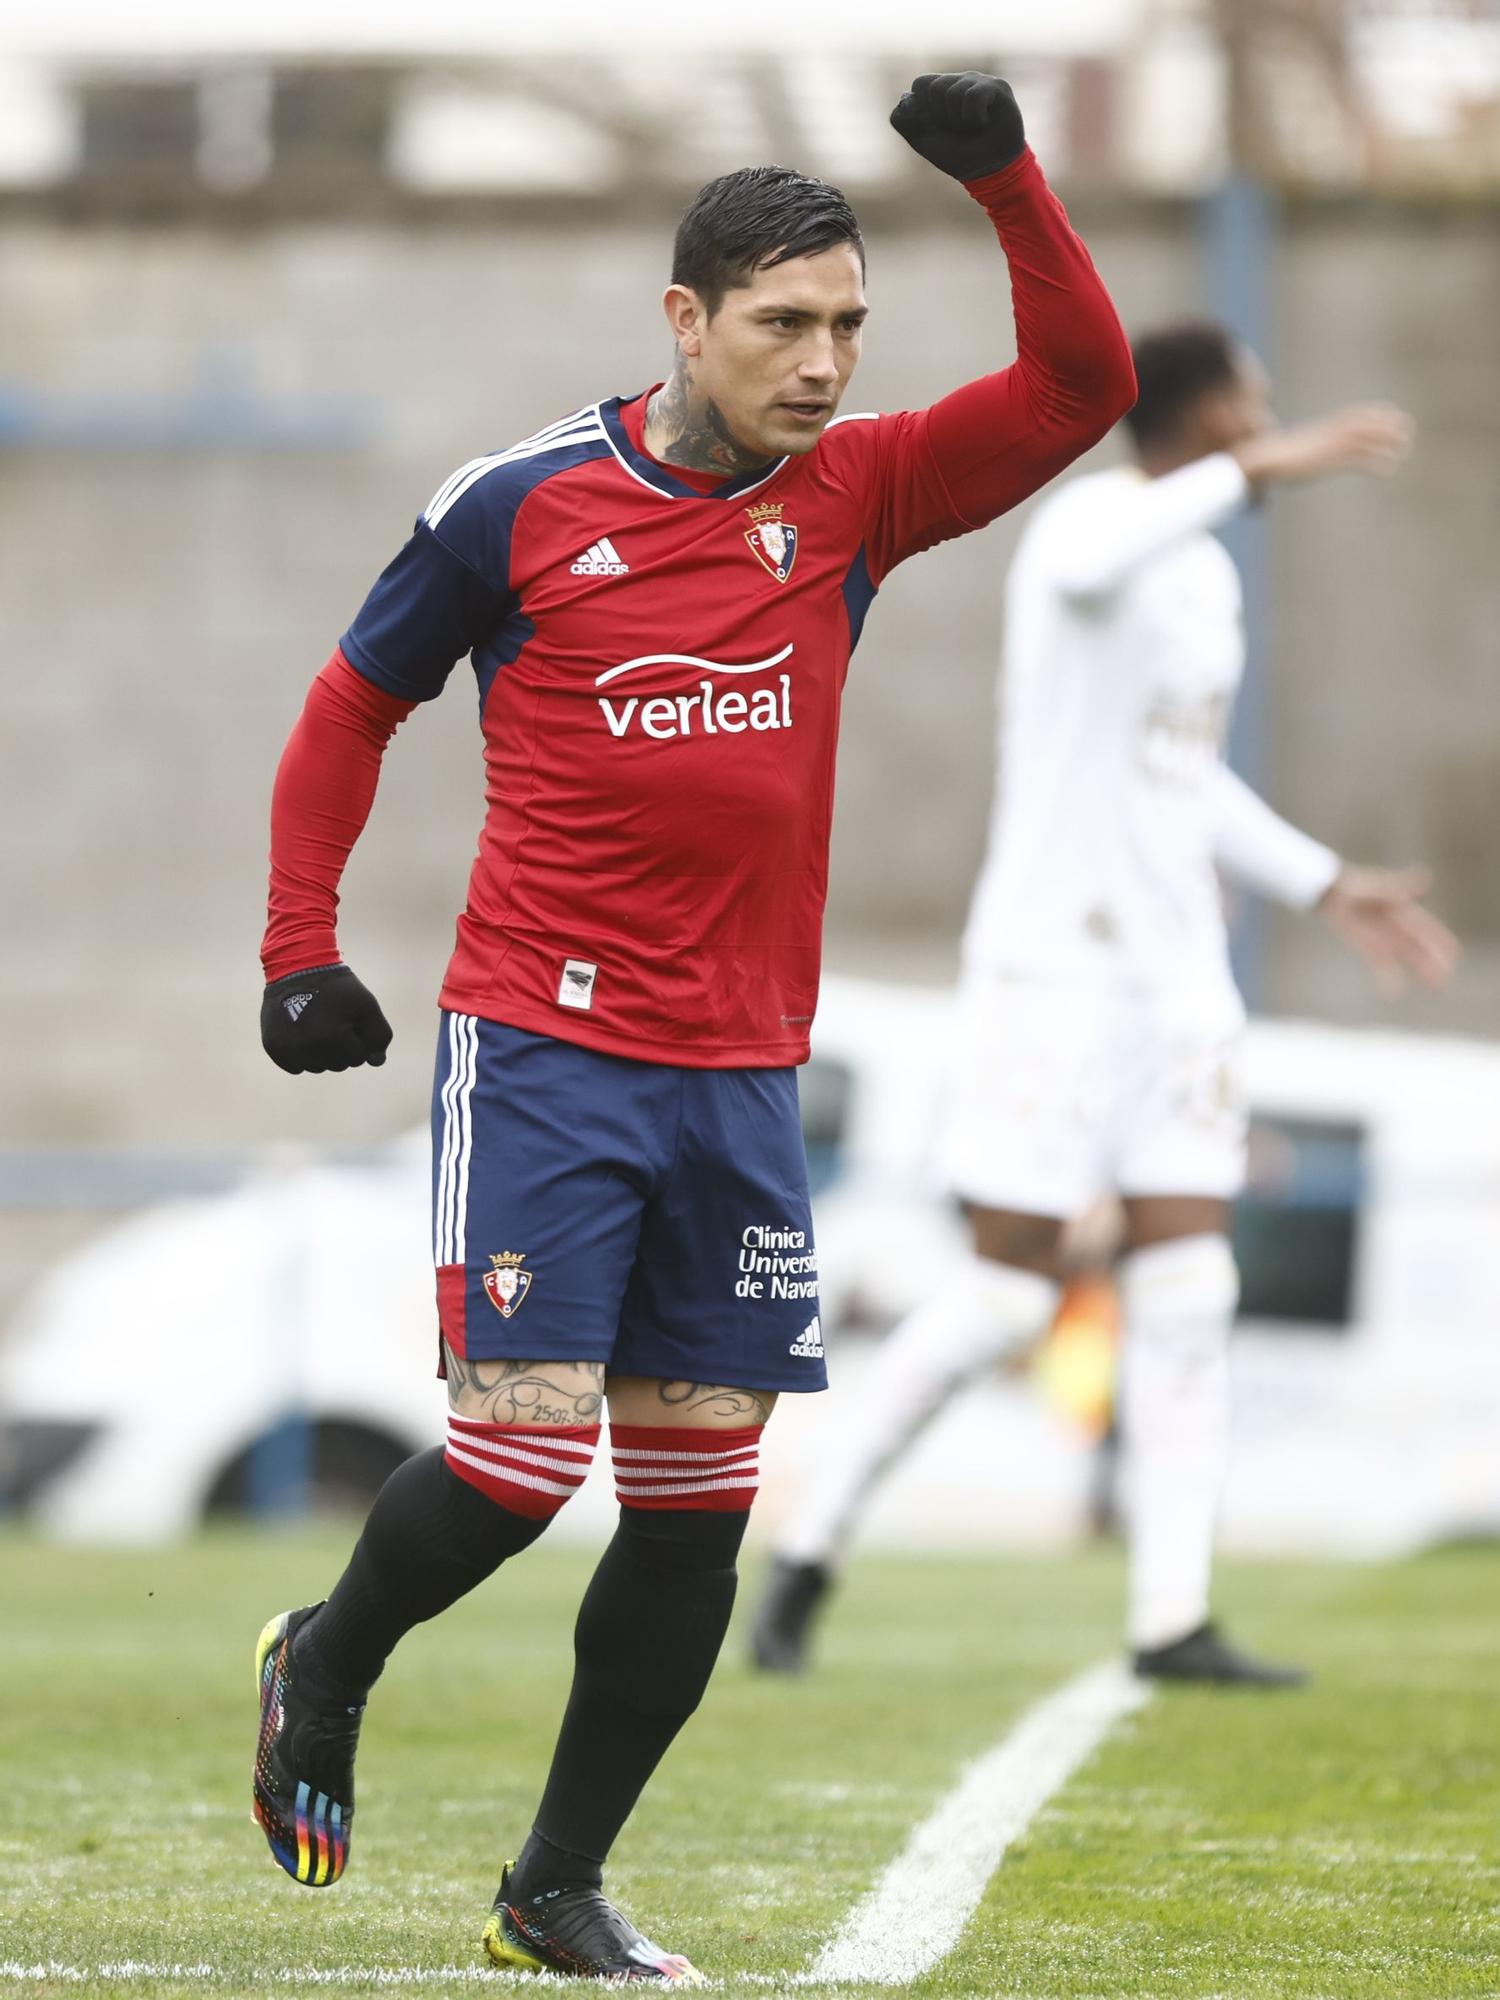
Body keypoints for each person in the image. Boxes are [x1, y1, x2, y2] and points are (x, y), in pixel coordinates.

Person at [250, 73, 1135, 1984]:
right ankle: (326, 1657)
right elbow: (349, 706)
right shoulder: (516, 504)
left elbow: (1083, 388)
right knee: (519, 1464)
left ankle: (550, 1889)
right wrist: (297, 949)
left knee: (695, 1515)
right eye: (783, 324)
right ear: (684, 318)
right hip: (545, 1048)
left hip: (741, 1071)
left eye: (848, 328)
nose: (823, 365)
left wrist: (1003, 178)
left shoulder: (860, 492)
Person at [753, 321, 1459, 1689]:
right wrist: (1268, 471)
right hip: (1053, 974)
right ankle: (813, 1543)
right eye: (1255, 402)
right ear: (1203, 414)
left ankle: (1171, 1618)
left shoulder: (1203, 575)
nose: (1269, 421)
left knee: (1191, 1287)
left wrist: (1326, 884)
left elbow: (1181, 776)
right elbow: (1096, 561)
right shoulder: (1088, 531)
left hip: (1174, 983)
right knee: (1006, 1300)